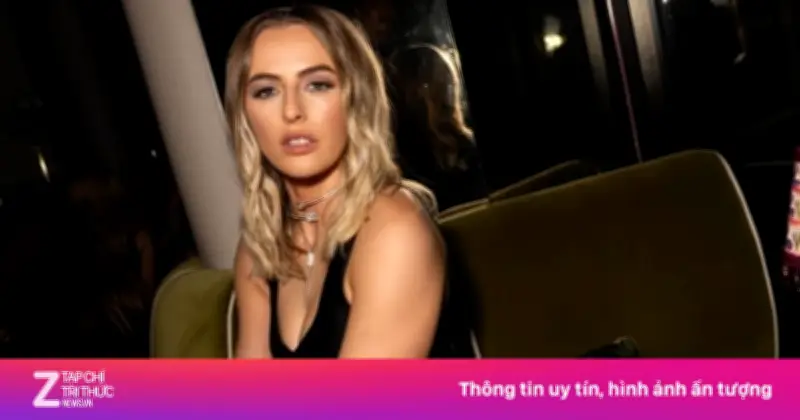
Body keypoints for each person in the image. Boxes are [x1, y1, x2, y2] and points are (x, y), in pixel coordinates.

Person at [224, 5, 472, 358]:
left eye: (317, 85)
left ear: (356, 98)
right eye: (266, 91)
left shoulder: (394, 231)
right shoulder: (259, 246)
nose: (291, 111)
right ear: (244, 114)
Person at [388, 44, 489, 210]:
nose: (450, 93)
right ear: (416, 91)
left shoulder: (466, 144)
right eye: (441, 83)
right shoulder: (403, 162)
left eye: (450, 83)